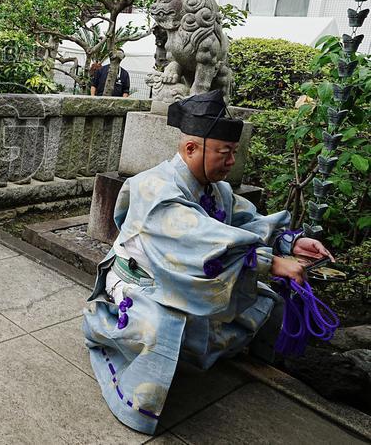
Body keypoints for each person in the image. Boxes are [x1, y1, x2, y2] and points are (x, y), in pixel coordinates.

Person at [82, 90, 333, 435]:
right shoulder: (154, 188)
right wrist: (271, 262)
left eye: (234, 152)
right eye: (224, 152)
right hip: (142, 283)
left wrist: (290, 241)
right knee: (163, 328)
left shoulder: (217, 190)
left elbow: (247, 222)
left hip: (184, 278)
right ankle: (131, 390)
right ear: (191, 148)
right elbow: (198, 238)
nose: (231, 161)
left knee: (263, 299)